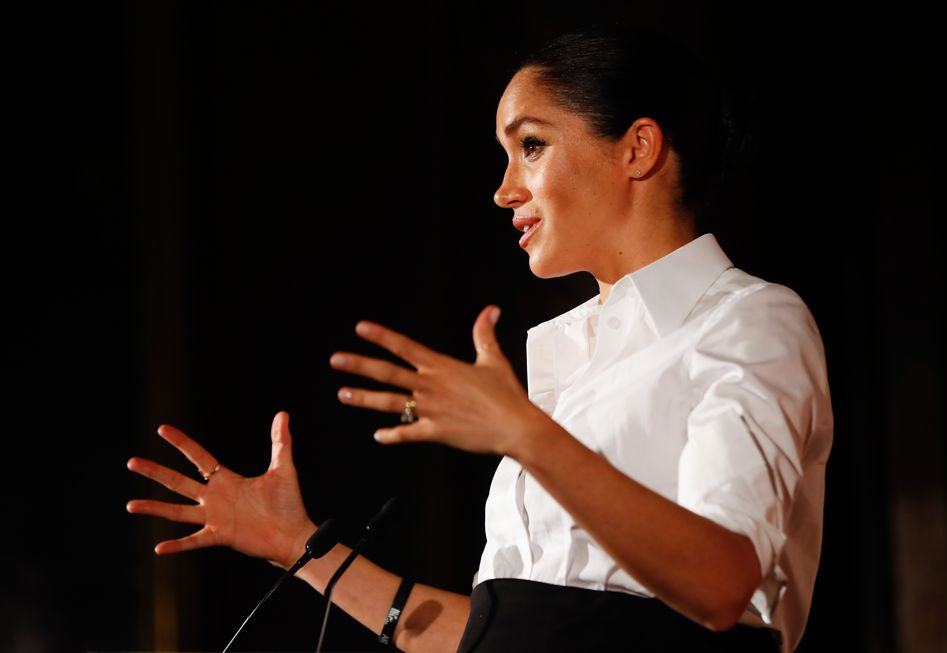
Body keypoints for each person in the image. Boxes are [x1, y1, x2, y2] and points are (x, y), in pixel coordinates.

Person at [127, 27, 832, 653]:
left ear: (638, 148)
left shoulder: (748, 320)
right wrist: (300, 549)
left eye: (531, 146)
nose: (503, 189)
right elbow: (506, 634)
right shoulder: (575, 365)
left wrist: (524, 433)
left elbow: (721, 583)